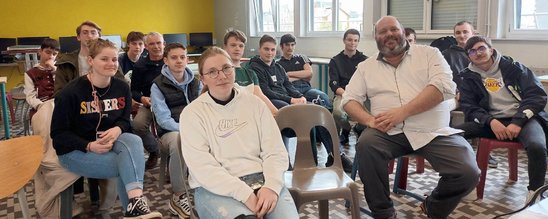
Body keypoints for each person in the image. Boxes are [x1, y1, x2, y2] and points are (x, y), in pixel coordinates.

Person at [342, 16, 480, 218]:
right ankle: (384, 213)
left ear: (402, 32)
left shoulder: (430, 54)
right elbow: (349, 100)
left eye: (393, 29)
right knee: (366, 144)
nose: (389, 34)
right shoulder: (366, 67)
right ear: (375, 37)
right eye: (382, 31)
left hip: (433, 131)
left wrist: (402, 112)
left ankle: (433, 206)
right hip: (389, 132)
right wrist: (370, 121)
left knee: (468, 173)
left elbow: (444, 87)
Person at [179, 46, 299, 219]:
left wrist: (272, 186)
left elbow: (275, 151)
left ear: (234, 69)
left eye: (226, 68)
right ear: (202, 78)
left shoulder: (255, 104)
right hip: (215, 188)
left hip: (263, 181)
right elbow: (203, 168)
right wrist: (245, 194)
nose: (221, 76)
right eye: (212, 72)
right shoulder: (192, 114)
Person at [50, 38, 162, 218]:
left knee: (133, 139)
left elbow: (125, 121)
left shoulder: (122, 87)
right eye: (104, 59)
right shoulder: (70, 93)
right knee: (129, 165)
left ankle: (135, 206)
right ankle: (135, 208)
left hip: (111, 143)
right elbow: (58, 135)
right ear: (91, 61)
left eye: (114, 59)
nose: (111, 64)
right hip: (75, 151)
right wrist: (89, 146)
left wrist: (118, 128)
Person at [455, 35, 548, 203]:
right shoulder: (467, 76)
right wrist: (491, 121)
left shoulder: (515, 68)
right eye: (472, 51)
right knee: (453, 135)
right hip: (492, 121)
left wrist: (518, 122)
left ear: (491, 49)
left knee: (537, 146)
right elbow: (469, 107)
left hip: (523, 119)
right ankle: (465, 185)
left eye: (481, 48)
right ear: (468, 56)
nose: (478, 53)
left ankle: (535, 193)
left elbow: (537, 96)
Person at [249, 34, 354, 172]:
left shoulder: (278, 67)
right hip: (272, 102)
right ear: (259, 49)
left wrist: (300, 96)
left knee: (315, 114)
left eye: (272, 50)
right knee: (299, 115)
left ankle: (334, 155)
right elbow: (266, 92)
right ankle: (302, 161)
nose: (270, 53)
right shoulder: (255, 67)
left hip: (287, 100)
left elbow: (288, 86)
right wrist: (291, 100)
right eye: (266, 49)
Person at [150, 43, 201, 218]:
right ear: (166, 60)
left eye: (182, 57)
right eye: (174, 57)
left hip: (193, 128)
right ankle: (178, 197)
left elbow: (202, 109)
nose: (179, 61)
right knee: (179, 141)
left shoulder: (195, 82)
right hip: (169, 132)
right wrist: (187, 130)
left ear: (188, 59)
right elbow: (163, 119)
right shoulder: (157, 85)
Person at [54, 20, 124, 96]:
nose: (89, 36)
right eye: (85, 32)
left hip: (105, 101)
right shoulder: (66, 61)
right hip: (76, 102)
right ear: (78, 37)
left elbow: (122, 85)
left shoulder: (110, 59)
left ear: (99, 36)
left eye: (93, 32)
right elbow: (59, 93)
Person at [222, 29, 278, 115]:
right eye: (233, 45)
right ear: (225, 47)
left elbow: (260, 96)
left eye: (241, 46)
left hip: (252, 114)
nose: (237, 48)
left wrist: (277, 114)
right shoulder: (220, 73)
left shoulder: (251, 74)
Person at [131, 32, 166, 169]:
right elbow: (133, 90)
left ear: (164, 44)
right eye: (152, 44)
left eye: (159, 43)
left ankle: (172, 162)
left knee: (166, 128)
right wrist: (142, 98)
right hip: (149, 104)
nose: (156, 46)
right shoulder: (140, 66)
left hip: (170, 104)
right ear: (146, 46)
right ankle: (154, 150)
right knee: (137, 125)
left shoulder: (171, 61)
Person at [328, 28, 368, 145]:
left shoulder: (365, 60)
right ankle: (346, 130)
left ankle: (358, 129)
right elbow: (334, 84)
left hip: (361, 95)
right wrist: (347, 95)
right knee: (337, 114)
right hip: (343, 93)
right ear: (344, 41)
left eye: (356, 40)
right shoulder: (335, 61)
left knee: (371, 114)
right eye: (350, 40)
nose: (352, 43)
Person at [277, 33, 332, 111]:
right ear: (282, 46)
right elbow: (284, 80)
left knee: (323, 97)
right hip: (291, 91)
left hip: (306, 88)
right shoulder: (278, 64)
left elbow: (309, 73)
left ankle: (329, 119)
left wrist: (289, 74)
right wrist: (301, 76)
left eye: (292, 45)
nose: (290, 47)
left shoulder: (301, 57)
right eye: (287, 45)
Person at [24, 38, 59, 120]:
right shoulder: (30, 73)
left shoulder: (59, 70)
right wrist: (42, 106)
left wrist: (54, 69)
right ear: (40, 52)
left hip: (59, 105)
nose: (51, 56)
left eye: (54, 54)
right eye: (48, 52)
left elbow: (65, 88)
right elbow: (30, 96)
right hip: (41, 106)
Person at [442, 21, 475, 90]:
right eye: (458, 33)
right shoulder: (446, 55)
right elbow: (443, 78)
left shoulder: (480, 53)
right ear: (454, 35)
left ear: (473, 34)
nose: (462, 35)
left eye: (465, 32)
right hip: (456, 94)